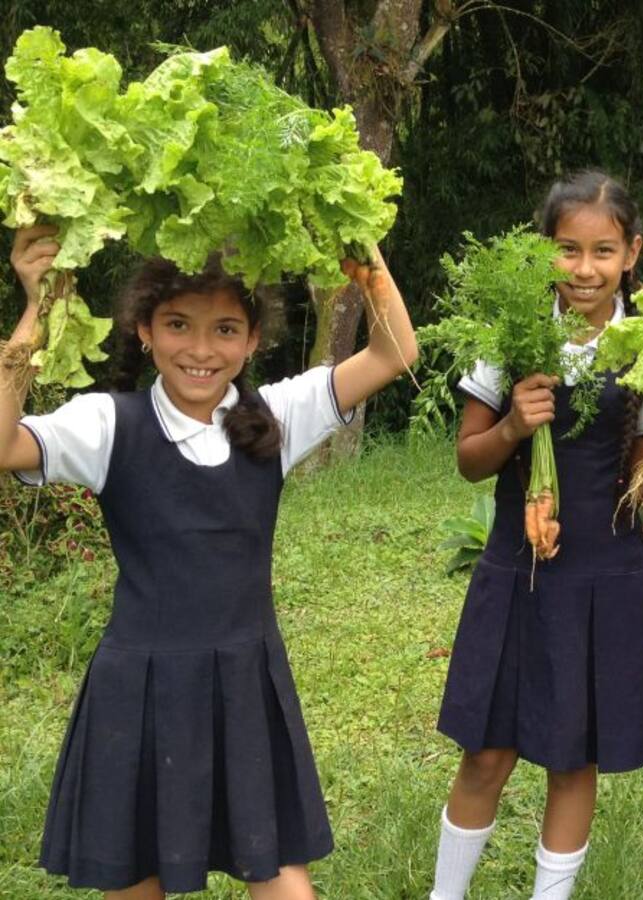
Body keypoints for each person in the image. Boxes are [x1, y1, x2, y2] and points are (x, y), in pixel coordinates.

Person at [1, 224, 418, 899]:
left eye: (225, 329)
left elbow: (394, 353)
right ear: (144, 330)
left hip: (245, 687)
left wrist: (366, 259)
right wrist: (37, 307)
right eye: (177, 325)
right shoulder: (109, 424)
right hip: (138, 692)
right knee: (137, 880)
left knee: (284, 879)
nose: (200, 349)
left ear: (253, 340)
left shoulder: (275, 417)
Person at [429, 171, 643, 900]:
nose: (585, 269)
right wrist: (516, 424)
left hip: (605, 575)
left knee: (573, 758)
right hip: (516, 570)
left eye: (603, 251)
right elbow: (467, 461)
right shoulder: (512, 331)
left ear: (632, 253)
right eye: (568, 250)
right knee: (486, 753)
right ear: (544, 251)